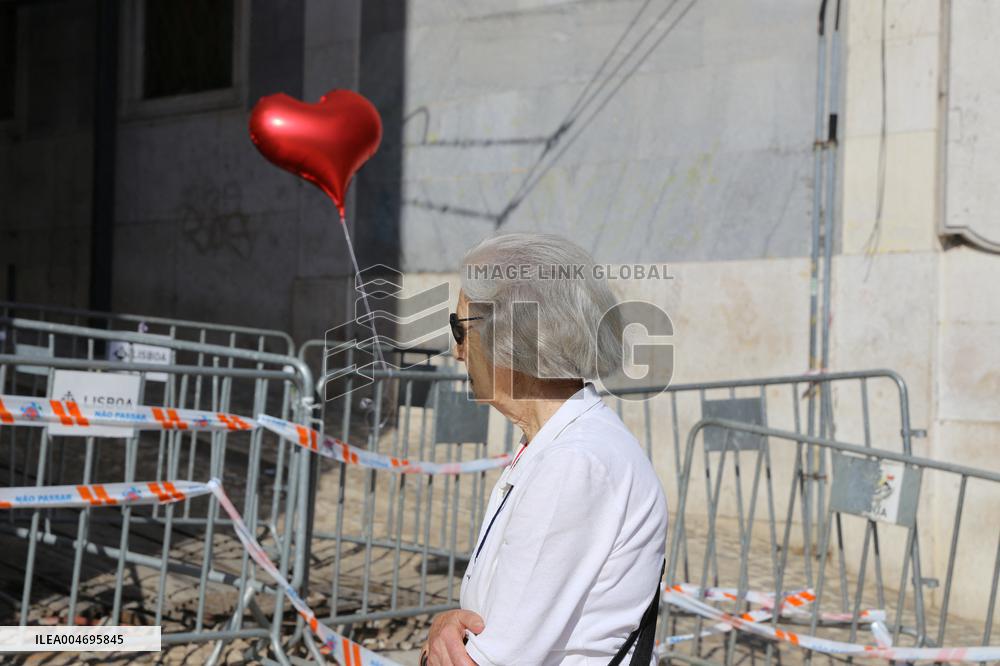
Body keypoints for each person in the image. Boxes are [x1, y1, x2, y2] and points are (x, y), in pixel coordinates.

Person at [421, 233, 668, 665]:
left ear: (512, 337)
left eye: (460, 329)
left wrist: (438, 644)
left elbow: (490, 659)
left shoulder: (574, 461)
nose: (457, 351)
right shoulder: (555, 441)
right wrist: (446, 626)